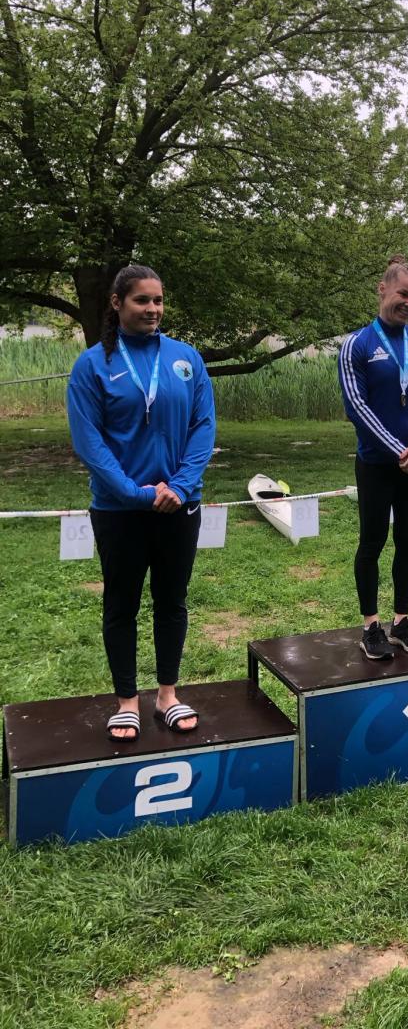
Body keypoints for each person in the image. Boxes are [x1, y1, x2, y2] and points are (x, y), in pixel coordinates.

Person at [67, 265, 216, 741]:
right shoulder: (93, 365)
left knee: (172, 601)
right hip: (119, 510)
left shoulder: (185, 358)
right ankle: (127, 701)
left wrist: (181, 485)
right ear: (117, 303)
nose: (153, 309)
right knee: (121, 604)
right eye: (142, 300)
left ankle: (167, 695)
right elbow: (89, 441)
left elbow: (203, 426)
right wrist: (136, 493)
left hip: (179, 505)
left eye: (158, 300)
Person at [338, 255, 408, 660]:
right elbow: (356, 406)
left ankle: (401, 621)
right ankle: (371, 627)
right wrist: (398, 449)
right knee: (372, 542)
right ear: (383, 289)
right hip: (376, 463)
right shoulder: (357, 345)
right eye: (404, 294)